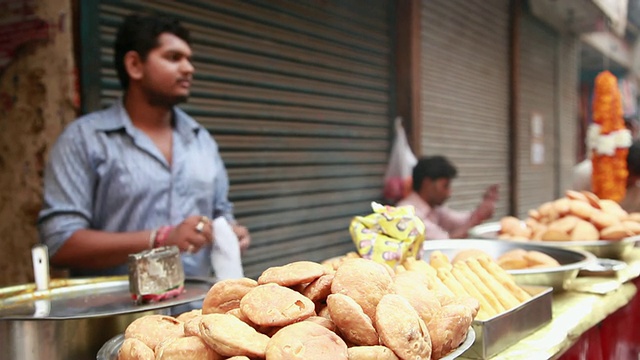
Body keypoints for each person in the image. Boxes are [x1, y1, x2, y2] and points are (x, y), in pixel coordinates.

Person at [37, 14, 250, 281]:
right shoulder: (85, 139)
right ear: (135, 65)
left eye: (189, 59)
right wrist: (160, 239)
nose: (189, 68)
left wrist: (231, 232)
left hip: (195, 316)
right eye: (174, 58)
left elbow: (220, 212)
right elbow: (59, 241)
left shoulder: (201, 140)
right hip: (118, 316)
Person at [397, 156, 498, 240]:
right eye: (445, 186)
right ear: (427, 184)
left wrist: (481, 211)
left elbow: (458, 222)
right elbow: (446, 242)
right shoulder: (408, 214)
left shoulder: (435, 208)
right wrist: (479, 216)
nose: (449, 193)